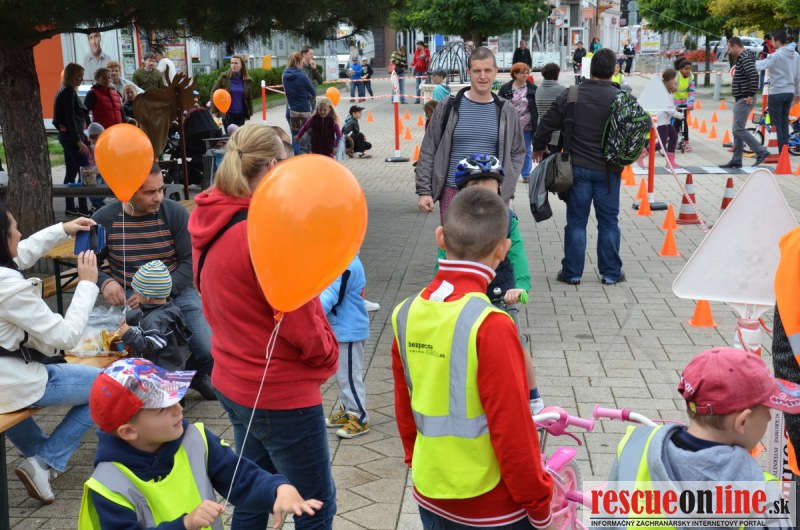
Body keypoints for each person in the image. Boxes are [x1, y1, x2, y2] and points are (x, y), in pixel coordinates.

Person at [188, 124, 339, 529]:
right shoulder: (263, 232)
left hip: (235, 379)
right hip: (279, 392)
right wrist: (327, 350)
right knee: (315, 504)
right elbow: (299, 320)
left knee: (255, 496)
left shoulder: (209, 217)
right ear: (272, 166)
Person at [392, 187, 554, 529]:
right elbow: (513, 430)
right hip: (490, 506)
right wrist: (540, 508)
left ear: (440, 237)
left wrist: (416, 463)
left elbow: (405, 409)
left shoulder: (405, 313)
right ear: (503, 249)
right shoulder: (492, 324)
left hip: (429, 489)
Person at [79, 358, 323, 529]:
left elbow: (240, 476)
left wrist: (277, 489)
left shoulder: (195, 439)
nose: (178, 409)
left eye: (175, 397)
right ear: (128, 432)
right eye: (163, 408)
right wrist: (184, 524)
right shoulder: (108, 484)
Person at [601, 347, 797, 530]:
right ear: (742, 422)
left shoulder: (634, 449)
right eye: (768, 410)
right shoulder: (764, 493)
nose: (770, 417)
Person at [0, 205, 101, 504]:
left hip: (6, 381)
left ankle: (38, 457)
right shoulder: (9, 289)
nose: (20, 233)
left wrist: (63, 230)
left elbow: (20, 253)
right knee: (108, 385)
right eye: (14, 229)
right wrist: (86, 284)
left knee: (9, 400)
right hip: (11, 378)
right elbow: (64, 336)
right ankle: (45, 462)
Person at [92, 162, 216, 400]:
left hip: (178, 290)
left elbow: (190, 262)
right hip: (134, 295)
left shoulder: (174, 213)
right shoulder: (104, 219)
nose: (158, 197)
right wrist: (105, 282)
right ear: (127, 192)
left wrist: (160, 291)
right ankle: (155, 390)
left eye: (161, 189)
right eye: (150, 192)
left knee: (207, 349)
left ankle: (188, 377)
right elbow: (86, 262)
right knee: (141, 345)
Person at [434, 155, 544, 415]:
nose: (484, 190)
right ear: (462, 191)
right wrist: (439, 288)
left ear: (499, 188)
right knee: (459, 342)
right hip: (464, 292)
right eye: (476, 185)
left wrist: (521, 286)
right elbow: (443, 257)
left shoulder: (506, 219)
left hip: (501, 292)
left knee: (516, 343)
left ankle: (533, 398)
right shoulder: (454, 220)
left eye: (490, 185)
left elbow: (517, 252)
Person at [533, 49, 627, 286]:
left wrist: (538, 146)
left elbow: (547, 122)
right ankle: (611, 273)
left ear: (590, 69)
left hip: (577, 170)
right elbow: (640, 125)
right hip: (609, 172)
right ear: (613, 70)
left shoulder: (572, 94)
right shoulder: (621, 97)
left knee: (576, 222)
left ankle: (572, 272)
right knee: (609, 222)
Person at [416, 46, 525, 223]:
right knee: (453, 241)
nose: (482, 76)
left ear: (496, 71)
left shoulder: (507, 110)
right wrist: (424, 190)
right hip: (452, 193)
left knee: (490, 242)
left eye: (487, 70)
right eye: (477, 71)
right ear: (468, 72)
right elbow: (429, 149)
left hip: (492, 196)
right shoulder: (447, 107)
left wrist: (506, 189)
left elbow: (517, 152)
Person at [321, 255, 371, 439]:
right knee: (343, 375)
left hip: (348, 331)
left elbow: (329, 296)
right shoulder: (342, 262)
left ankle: (360, 416)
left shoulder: (346, 266)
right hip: (342, 329)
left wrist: (311, 313)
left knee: (349, 376)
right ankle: (348, 410)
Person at [118, 260, 191, 371]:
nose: (135, 296)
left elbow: (150, 346)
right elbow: (146, 315)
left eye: (136, 293)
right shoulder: (168, 308)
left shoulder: (157, 320)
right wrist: (130, 317)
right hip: (171, 363)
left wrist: (129, 335)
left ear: (147, 297)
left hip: (162, 371)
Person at [720, 37, 770, 168]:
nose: (729, 51)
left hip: (745, 98)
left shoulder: (745, 58)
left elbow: (754, 75)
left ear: (736, 46)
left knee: (738, 128)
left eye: (729, 48)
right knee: (736, 129)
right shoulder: (743, 57)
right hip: (741, 97)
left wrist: (750, 95)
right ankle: (737, 159)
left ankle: (761, 151)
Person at [53, 62, 90, 217]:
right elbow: (70, 118)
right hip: (72, 138)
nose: (81, 79)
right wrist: (78, 140)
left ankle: (70, 206)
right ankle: (83, 208)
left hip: (69, 136)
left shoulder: (63, 90)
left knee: (71, 172)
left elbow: (60, 120)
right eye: (78, 76)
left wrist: (81, 135)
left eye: (82, 76)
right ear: (71, 76)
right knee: (85, 171)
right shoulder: (68, 92)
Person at [756, 30, 800, 155]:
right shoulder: (796, 56)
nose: (772, 43)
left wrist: (745, 64)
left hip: (777, 92)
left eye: (773, 41)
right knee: (784, 121)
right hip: (790, 93)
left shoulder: (775, 56)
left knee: (775, 123)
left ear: (778, 41)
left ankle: (779, 150)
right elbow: (798, 77)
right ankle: (784, 148)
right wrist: (797, 94)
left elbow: (760, 65)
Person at [499, 62, 538, 184]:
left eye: (527, 73)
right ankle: (508, 173)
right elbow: (499, 105)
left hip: (527, 124)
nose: (525, 75)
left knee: (526, 149)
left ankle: (526, 174)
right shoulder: (505, 88)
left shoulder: (533, 88)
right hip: (510, 124)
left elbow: (535, 107)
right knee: (508, 149)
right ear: (515, 74)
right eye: (522, 73)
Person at [637, 69, 683, 169]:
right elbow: (668, 109)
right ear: (668, 80)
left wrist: (675, 108)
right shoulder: (663, 92)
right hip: (661, 121)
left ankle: (670, 162)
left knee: (674, 137)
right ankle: (641, 155)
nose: (675, 81)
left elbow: (669, 107)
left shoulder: (668, 91)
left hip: (665, 120)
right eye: (673, 79)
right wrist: (679, 115)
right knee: (660, 144)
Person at [283, 51, 317, 155]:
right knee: (308, 136)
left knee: (295, 138)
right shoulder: (302, 76)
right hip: (304, 111)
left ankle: (296, 159)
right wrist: (308, 95)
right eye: (301, 62)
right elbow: (314, 92)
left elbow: (286, 92)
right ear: (298, 62)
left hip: (291, 110)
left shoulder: (284, 75)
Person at [210, 55, 253, 129]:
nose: (233, 65)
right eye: (232, 63)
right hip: (228, 114)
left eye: (236, 63)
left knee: (239, 135)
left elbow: (249, 98)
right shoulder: (224, 77)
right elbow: (213, 92)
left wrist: (250, 112)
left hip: (241, 114)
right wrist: (215, 110)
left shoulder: (247, 80)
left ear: (241, 65)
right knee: (230, 135)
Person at [534, 63, 567, 156]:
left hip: (541, 129)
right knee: (554, 159)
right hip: (557, 131)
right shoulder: (562, 90)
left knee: (544, 159)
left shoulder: (538, 89)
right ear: (557, 74)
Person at [672, 58, 695, 153]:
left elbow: (692, 91)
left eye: (689, 69)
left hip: (684, 103)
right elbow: (669, 90)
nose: (688, 71)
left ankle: (685, 142)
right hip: (674, 102)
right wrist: (673, 105)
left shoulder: (691, 77)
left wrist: (691, 103)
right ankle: (674, 141)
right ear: (680, 69)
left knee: (683, 121)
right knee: (677, 122)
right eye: (686, 69)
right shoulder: (675, 76)